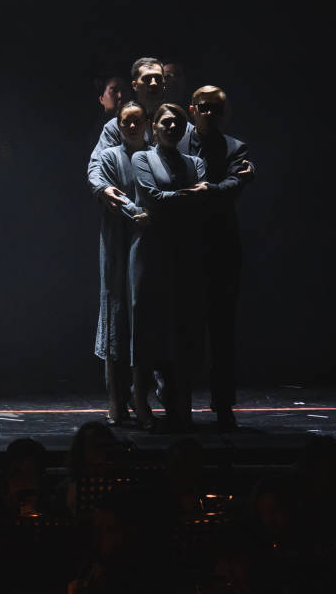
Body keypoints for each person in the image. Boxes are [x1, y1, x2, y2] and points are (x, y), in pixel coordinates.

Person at [129, 102, 207, 431]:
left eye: (177, 123)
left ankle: (178, 403)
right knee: (146, 329)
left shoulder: (195, 162)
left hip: (183, 252)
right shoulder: (142, 158)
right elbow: (151, 196)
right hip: (150, 253)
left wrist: (174, 199)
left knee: (180, 328)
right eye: (166, 122)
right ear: (154, 126)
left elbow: (202, 201)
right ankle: (140, 400)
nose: (172, 127)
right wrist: (187, 196)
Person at [186, 86, 253, 431]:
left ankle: (223, 403)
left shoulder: (235, 147)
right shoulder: (176, 141)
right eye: (203, 107)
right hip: (183, 249)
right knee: (184, 328)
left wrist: (210, 190)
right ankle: (178, 402)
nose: (208, 113)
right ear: (192, 109)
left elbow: (235, 185)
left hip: (222, 248)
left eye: (215, 108)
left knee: (222, 330)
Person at [87, 103, 149, 424]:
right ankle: (117, 399)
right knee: (115, 312)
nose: (132, 126)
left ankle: (143, 398)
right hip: (118, 238)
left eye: (138, 121)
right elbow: (97, 173)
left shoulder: (153, 151)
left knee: (144, 316)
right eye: (127, 121)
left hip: (150, 242)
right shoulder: (112, 150)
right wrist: (138, 212)